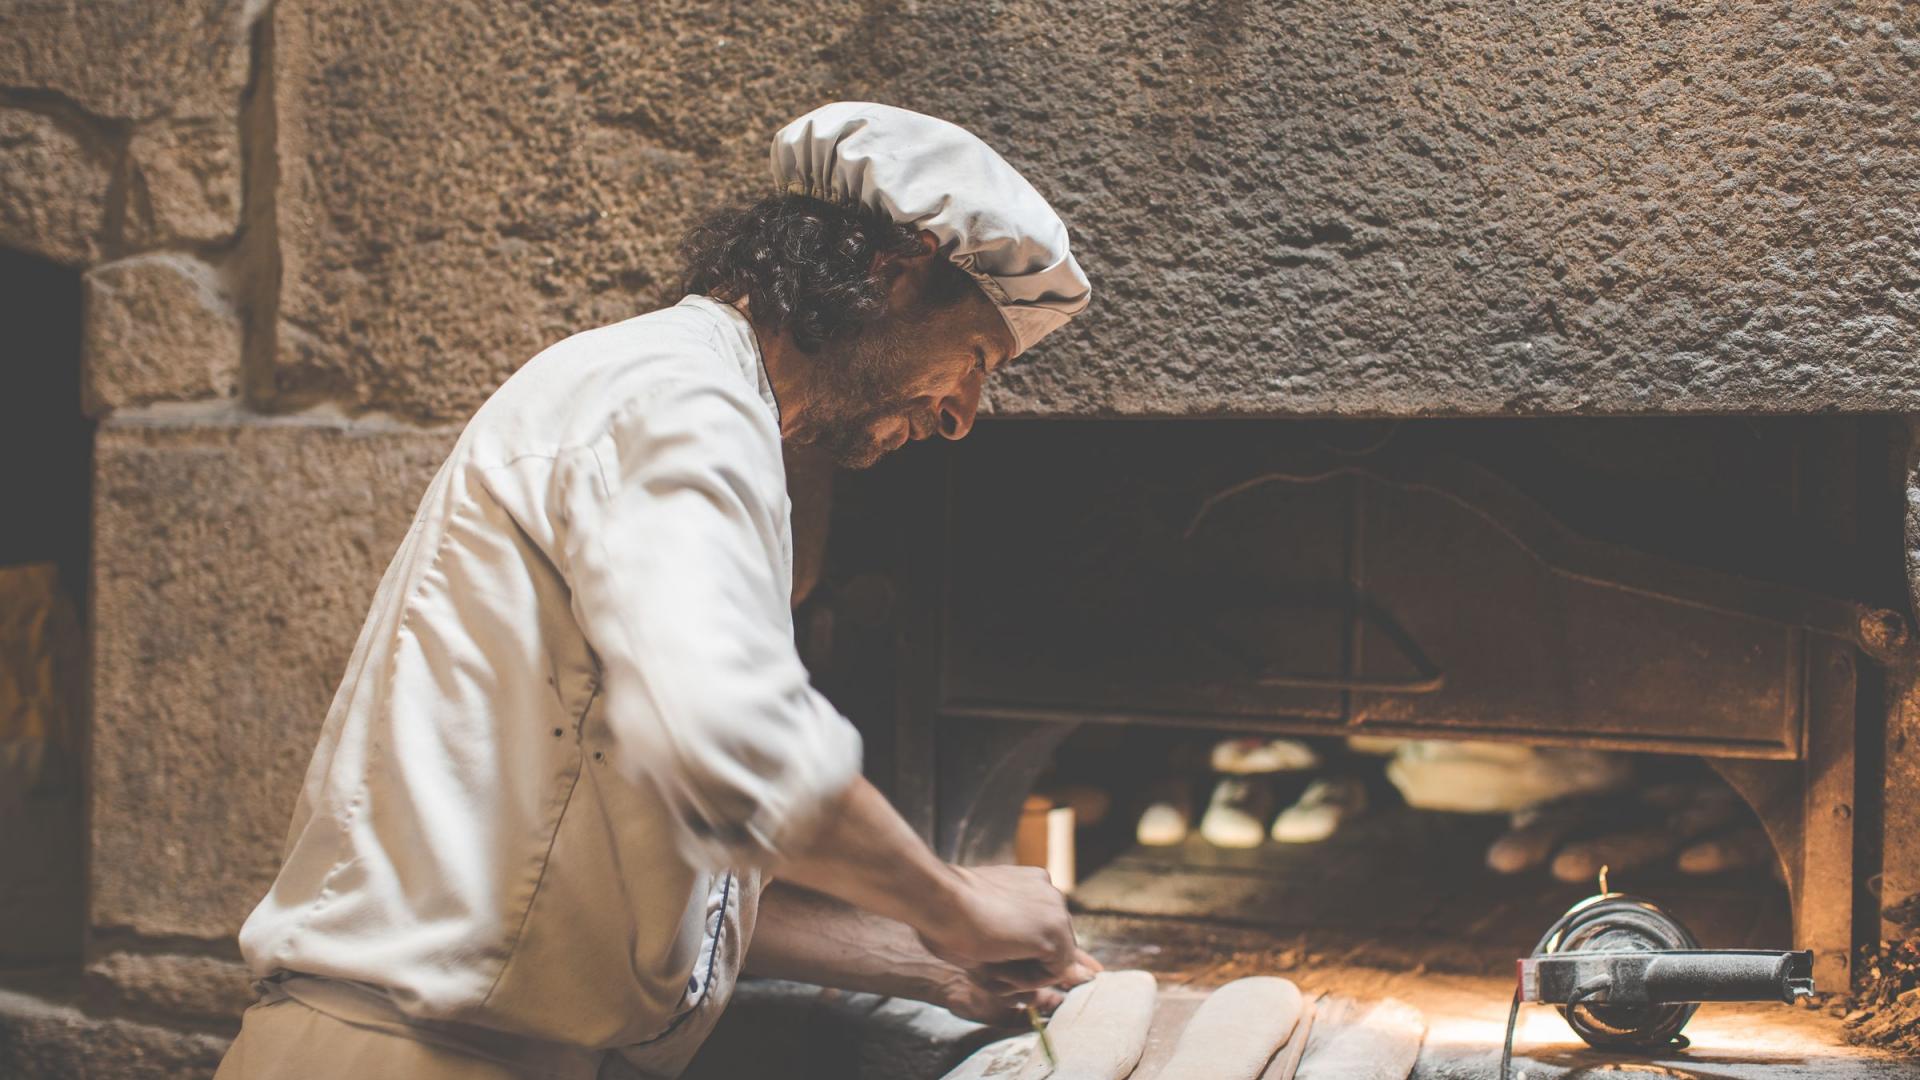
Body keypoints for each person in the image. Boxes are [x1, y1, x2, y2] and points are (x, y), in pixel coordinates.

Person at [215, 102, 1096, 1080]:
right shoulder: (678, 399)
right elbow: (738, 745)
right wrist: (956, 903)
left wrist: (932, 964)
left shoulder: (701, 405)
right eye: (975, 360)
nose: (964, 413)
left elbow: (658, 871)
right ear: (897, 268)